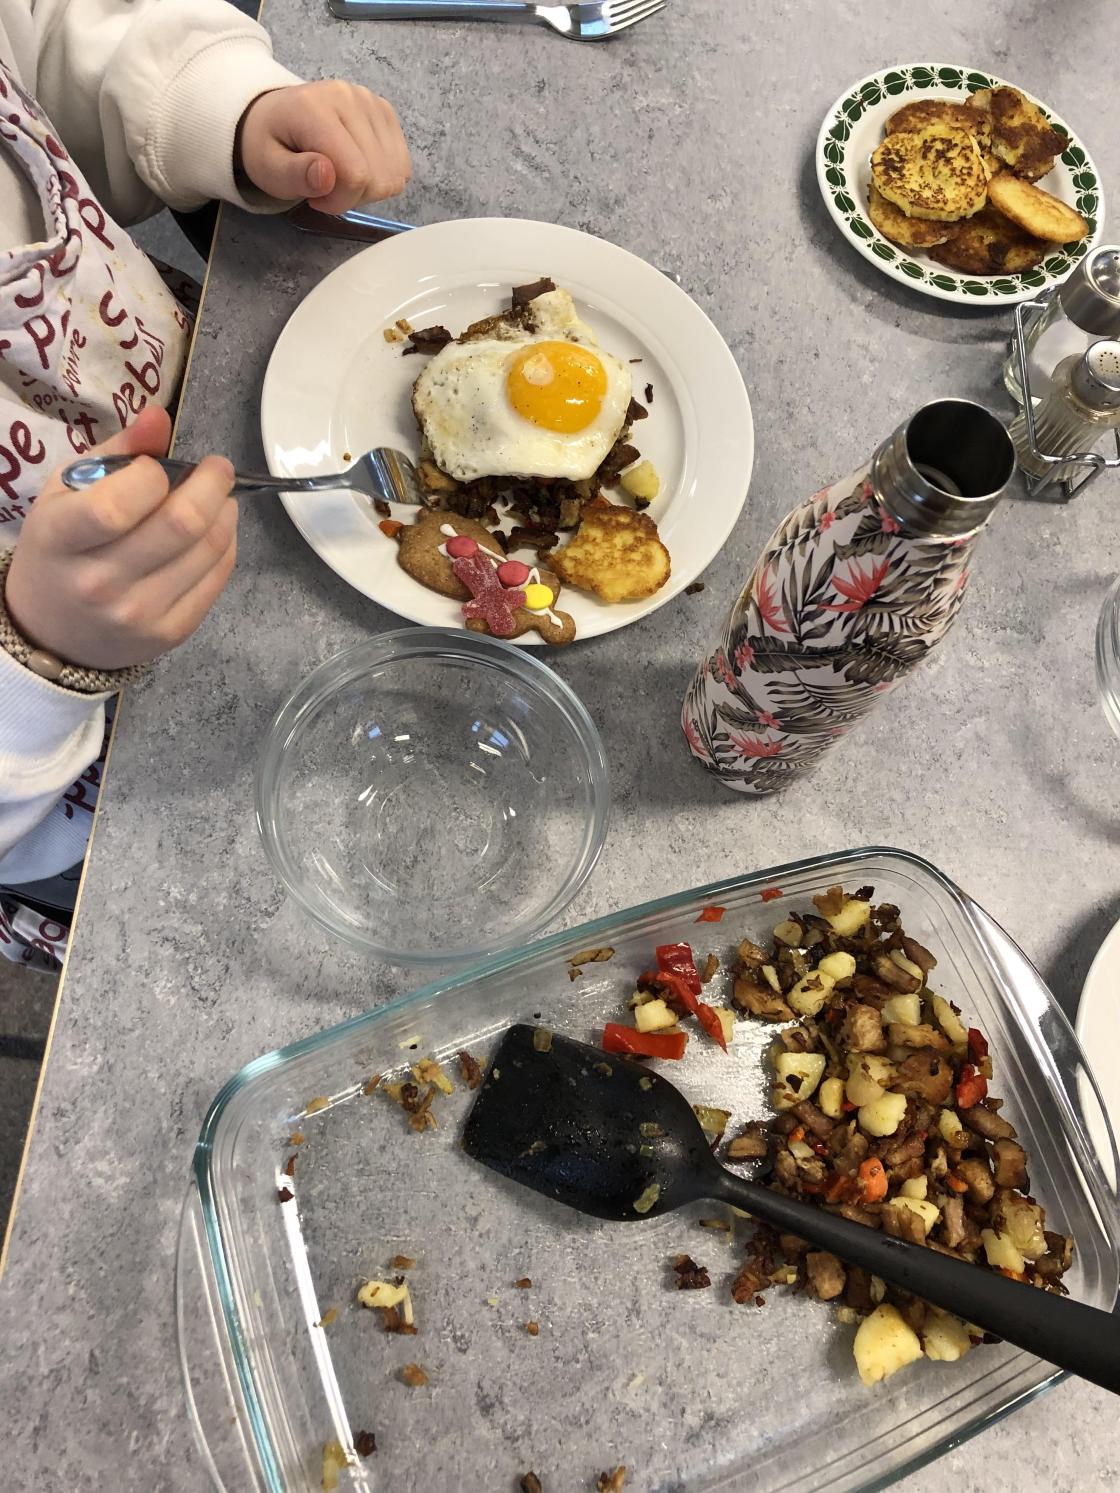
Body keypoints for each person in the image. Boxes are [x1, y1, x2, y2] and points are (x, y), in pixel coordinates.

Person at [0, 0, 410, 963]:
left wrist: (222, 110)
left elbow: (53, 34)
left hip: (190, 388)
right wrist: (39, 657)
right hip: (75, 793)